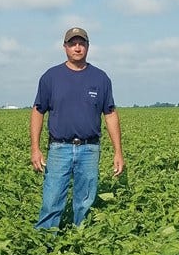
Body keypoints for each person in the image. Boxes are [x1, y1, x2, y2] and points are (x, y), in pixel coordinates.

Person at [30, 27, 123, 229]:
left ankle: (81, 245)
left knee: (85, 202)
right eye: (73, 44)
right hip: (59, 148)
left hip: (89, 149)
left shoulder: (100, 78)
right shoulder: (51, 77)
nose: (77, 48)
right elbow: (38, 111)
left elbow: (110, 114)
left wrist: (118, 152)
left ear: (88, 47)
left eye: (82, 44)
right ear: (65, 47)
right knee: (52, 200)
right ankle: (44, 244)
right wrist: (35, 149)